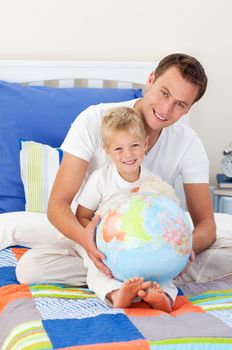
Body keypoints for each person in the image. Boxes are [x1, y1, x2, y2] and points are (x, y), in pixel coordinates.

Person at [16, 53, 217, 287]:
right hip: (92, 237)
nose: (166, 108)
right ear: (151, 79)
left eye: (180, 104)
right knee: (30, 269)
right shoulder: (94, 121)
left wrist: (180, 249)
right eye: (164, 92)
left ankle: (145, 274)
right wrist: (87, 240)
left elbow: (207, 225)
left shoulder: (188, 142)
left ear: (188, 110)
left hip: (155, 243)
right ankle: (139, 277)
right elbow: (58, 205)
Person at [75, 106, 181, 312]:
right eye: (118, 149)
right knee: (98, 271)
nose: (128, 154)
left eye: (134, 146)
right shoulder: (101, 179)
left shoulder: (152, 181)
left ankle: (163, 298)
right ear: (107, 151)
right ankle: (116, 294)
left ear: (145, 145)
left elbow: (166, 217)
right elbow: (82, 216)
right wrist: (97, 241)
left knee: (165, 268)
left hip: (144, 246)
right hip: (108, 247)